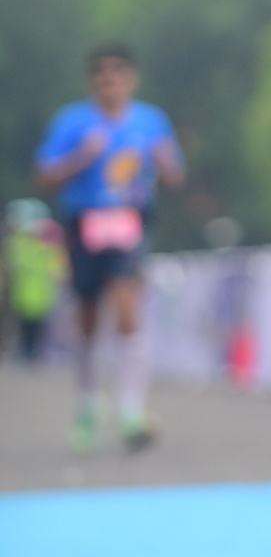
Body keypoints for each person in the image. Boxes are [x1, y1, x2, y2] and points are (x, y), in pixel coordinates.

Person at [34, 43, 185, 450]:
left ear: (130, 80)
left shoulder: (151, 121)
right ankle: (88, 402)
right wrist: (82, 158)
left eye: (116, 74)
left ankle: (132, 409)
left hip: (130, 222)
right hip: (85, 222)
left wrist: (165, 163)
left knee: (126, 306)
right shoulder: (72, 122)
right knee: (86, 318)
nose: (109, 81)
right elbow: (44, 175)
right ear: (92, 83)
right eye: (101, 75)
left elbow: (175, 177)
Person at [2, 199, 66, 359]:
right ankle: (26, 350)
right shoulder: (16, 243)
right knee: (24, 326)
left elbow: (59, 269)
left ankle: (38, 350)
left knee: (41, 326)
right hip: (22, 295)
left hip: (43, 295)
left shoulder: (48, 245)